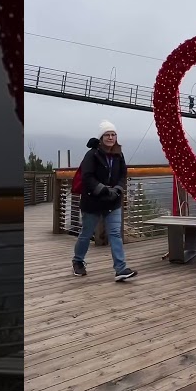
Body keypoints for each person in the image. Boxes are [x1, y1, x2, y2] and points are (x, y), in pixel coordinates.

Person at [72, 120, 137, 282]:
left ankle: (120, 269)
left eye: (113, 134)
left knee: (115, 234)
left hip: (113, 201)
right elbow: (87, 177)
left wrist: (118, 189)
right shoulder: (92, 154)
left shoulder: (119, 154)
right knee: (87, 234)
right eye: (107, 135)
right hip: (93, 202)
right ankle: (78, 261)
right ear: (101, 138)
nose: (110, 137)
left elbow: (123, 174)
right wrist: (104, 189)